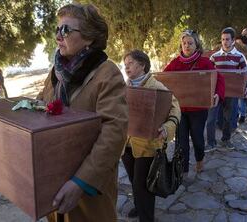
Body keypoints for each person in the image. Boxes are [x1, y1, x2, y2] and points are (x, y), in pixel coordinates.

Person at [37, 3, 128, 222]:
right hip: (55, 181)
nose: (59, 36)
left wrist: (80, 182)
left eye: (66, 30)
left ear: (88, 38)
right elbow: (42, 105)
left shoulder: (107, 73)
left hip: (89, 191)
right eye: (57, 30)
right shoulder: (56, 73)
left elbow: (114, 132)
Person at [122, 50, 180, 222]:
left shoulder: (157, 87)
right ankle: (140, 206)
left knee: (142, 184)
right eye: (125, 63)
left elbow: (175, 108)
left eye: (130, 63)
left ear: (142, 65)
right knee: (134, 180)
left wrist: (168, 127)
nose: (126, 66)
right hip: (126, 143)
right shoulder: (125, 87)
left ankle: (147, 217)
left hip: (148, 144)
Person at [164, 30, 225, 170]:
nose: (187, 46)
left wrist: (217, 94)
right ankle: (183, 170)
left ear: (196, 44)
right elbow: (163, 79)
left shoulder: (205, 62)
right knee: (181, 142)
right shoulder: (175, 63)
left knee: (197, 139)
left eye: (190, 43)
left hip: (199, 110)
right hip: (180, 110)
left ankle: (199, 159)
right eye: (184, 43)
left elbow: (219, 79)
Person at [209, 27, 247, 149]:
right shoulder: (214, 57)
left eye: (227, 39)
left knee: (228, 119)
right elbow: (207, 73)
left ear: (233, 40)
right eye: (223, 39)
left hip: (231, 93)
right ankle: (211, 142)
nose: (225, 42)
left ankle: (226, 140)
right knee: (211, 118)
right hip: (216, 93)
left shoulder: (239, 56)